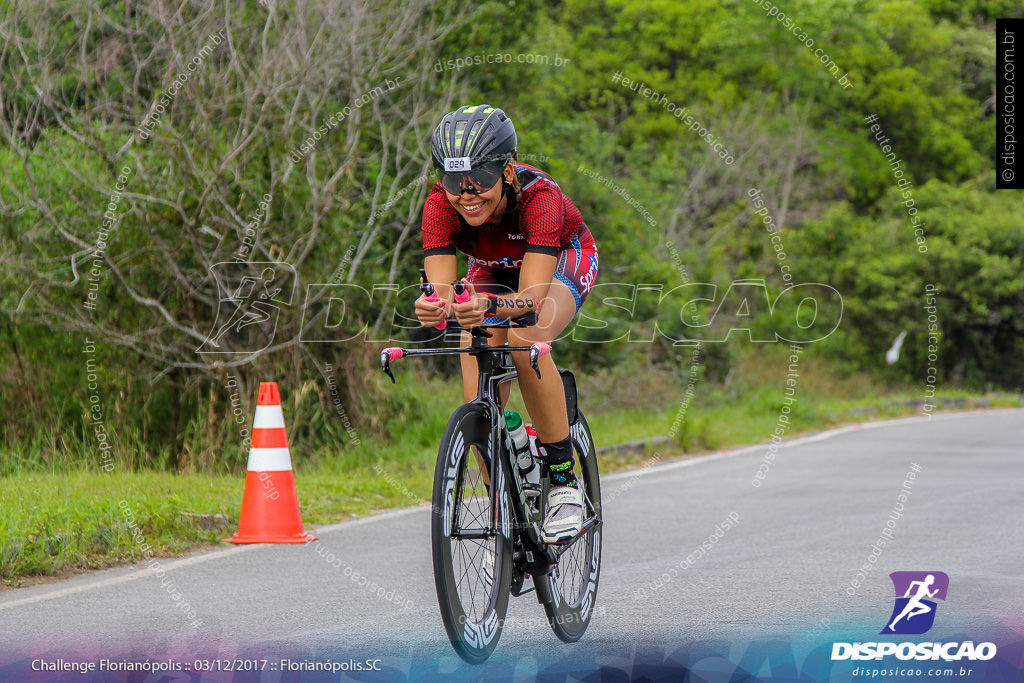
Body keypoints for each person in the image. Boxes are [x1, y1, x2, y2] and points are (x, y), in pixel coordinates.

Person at [414, 104, 599, 544]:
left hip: (561, 261)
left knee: (525, 337)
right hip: (494, 267)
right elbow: (439, 290)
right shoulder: (440, 205)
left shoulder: (542, 197)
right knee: (470, 339)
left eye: (479, 178)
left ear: (508, 170)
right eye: (455, 180)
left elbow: (533, 298)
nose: (467, 192)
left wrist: (485, 304)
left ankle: (562, 481)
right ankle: (502, 477)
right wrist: (435, 307)